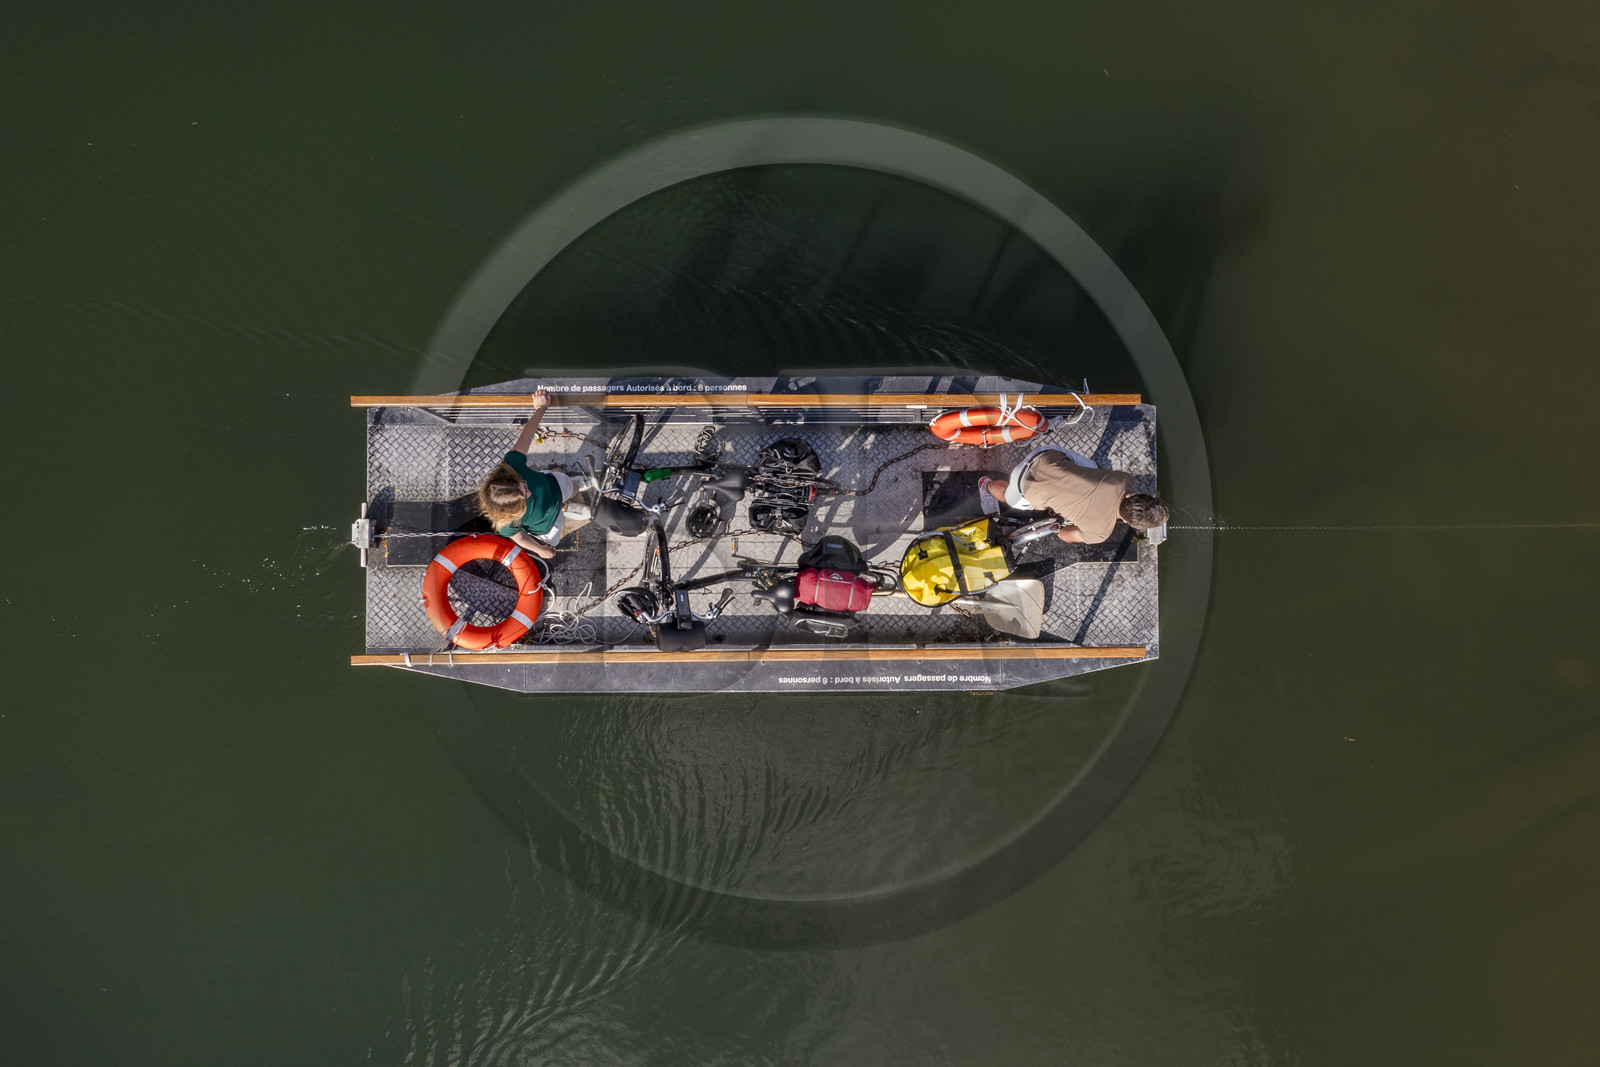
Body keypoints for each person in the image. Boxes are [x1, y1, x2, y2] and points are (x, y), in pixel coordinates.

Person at [980, 445, 1168, 544]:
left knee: (1095, 468)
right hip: (1023, 481)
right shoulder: (1099, 534)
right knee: (1009, 498)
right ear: (1128, 522)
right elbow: (1063, 534)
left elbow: (1100, 472)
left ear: (1136, 495)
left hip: (1047, 454)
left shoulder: (1124, 480)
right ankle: (986, 486)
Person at [475, 388, 576, 560]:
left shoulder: (512, 465)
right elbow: (520, 537)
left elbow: (527, 436)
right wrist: (540, 550)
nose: (529, 493)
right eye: (525, 497)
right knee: (557, 532)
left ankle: (568, 499)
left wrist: (540, 408)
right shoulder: (506, 524)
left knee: (575, 488)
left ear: (510, 478)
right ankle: (565, 507)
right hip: (547, 526)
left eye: (524, 487)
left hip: (553, 486)